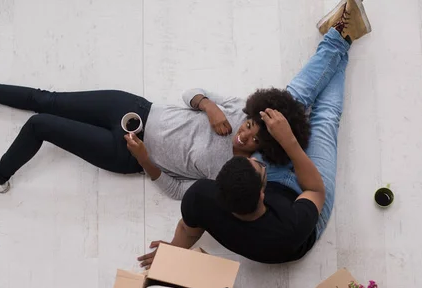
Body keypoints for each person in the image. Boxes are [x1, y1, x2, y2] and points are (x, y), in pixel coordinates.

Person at [139, 0, 372, 265]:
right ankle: (343, 35)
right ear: (262, 193)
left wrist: (171, 252)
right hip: (305, 202)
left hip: (266, 194)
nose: (258, 158)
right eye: (259, 166)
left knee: (285, 105)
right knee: (325, 119)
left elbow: (186, 229)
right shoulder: (290, 229)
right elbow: (315, 190)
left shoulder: (201, 196)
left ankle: (339, 36)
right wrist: (289, 142)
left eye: (253, 161)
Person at [0, 76, 307, 199]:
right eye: (248, 126)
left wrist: (144, 159)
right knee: (47, 100)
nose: (244, 135)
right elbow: (190, 91)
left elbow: (177, 191)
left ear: (266, 147)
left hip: (126, 154)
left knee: (40, 124)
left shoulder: (234, 173)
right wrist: (208, 106)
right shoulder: (239, 109)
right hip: (134, 110)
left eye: (255, 139)